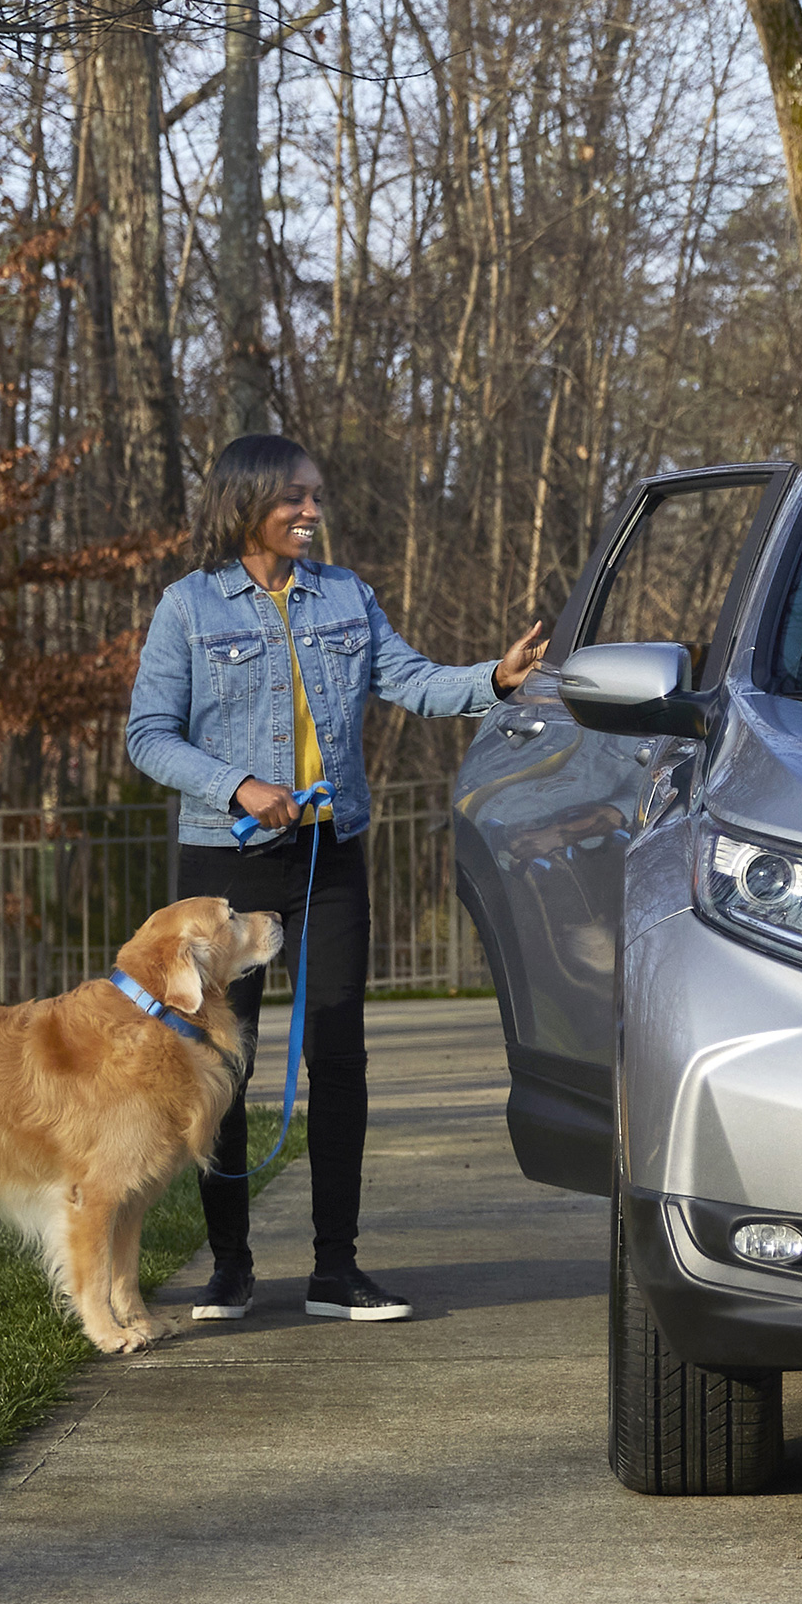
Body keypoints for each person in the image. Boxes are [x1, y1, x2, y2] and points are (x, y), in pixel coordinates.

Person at [122, 434, 546, 1323]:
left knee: (339, 1053)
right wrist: (238, 783)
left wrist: (494, 682)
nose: (312, 512)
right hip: (224, 866)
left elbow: (410, 679)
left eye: (315, 496)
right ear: (248, 505)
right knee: (221, 1064)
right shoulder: (188, 609)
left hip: (330, 854)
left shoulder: (347, 595)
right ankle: (230, 1267)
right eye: (295, 498)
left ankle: (334, 1268)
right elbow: (148, 734)